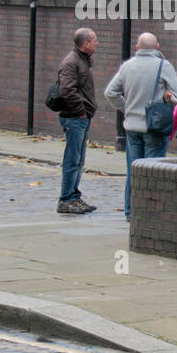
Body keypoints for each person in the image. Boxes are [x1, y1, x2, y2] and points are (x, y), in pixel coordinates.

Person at [104, 32, 177, 220]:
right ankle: (149, 213)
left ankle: (130, 212)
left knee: (134, 171)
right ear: (158, 47)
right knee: (152, 171)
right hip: (154, 128)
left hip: (132, 127)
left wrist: (127, 108)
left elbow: (110, 93)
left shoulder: (127, 66)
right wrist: (167, 98)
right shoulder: (163, 66)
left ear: (137, 48)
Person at [55, 28, 99, 214]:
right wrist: (80, 110)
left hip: (82, 117)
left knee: (79, 160)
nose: (97, 43)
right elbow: (66, 90)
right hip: (74, 118)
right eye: (94, 40)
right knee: (72, 160)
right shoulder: (71, 62)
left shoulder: (82, 60)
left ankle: (74, 196)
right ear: (85, 43)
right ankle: (66, 199)